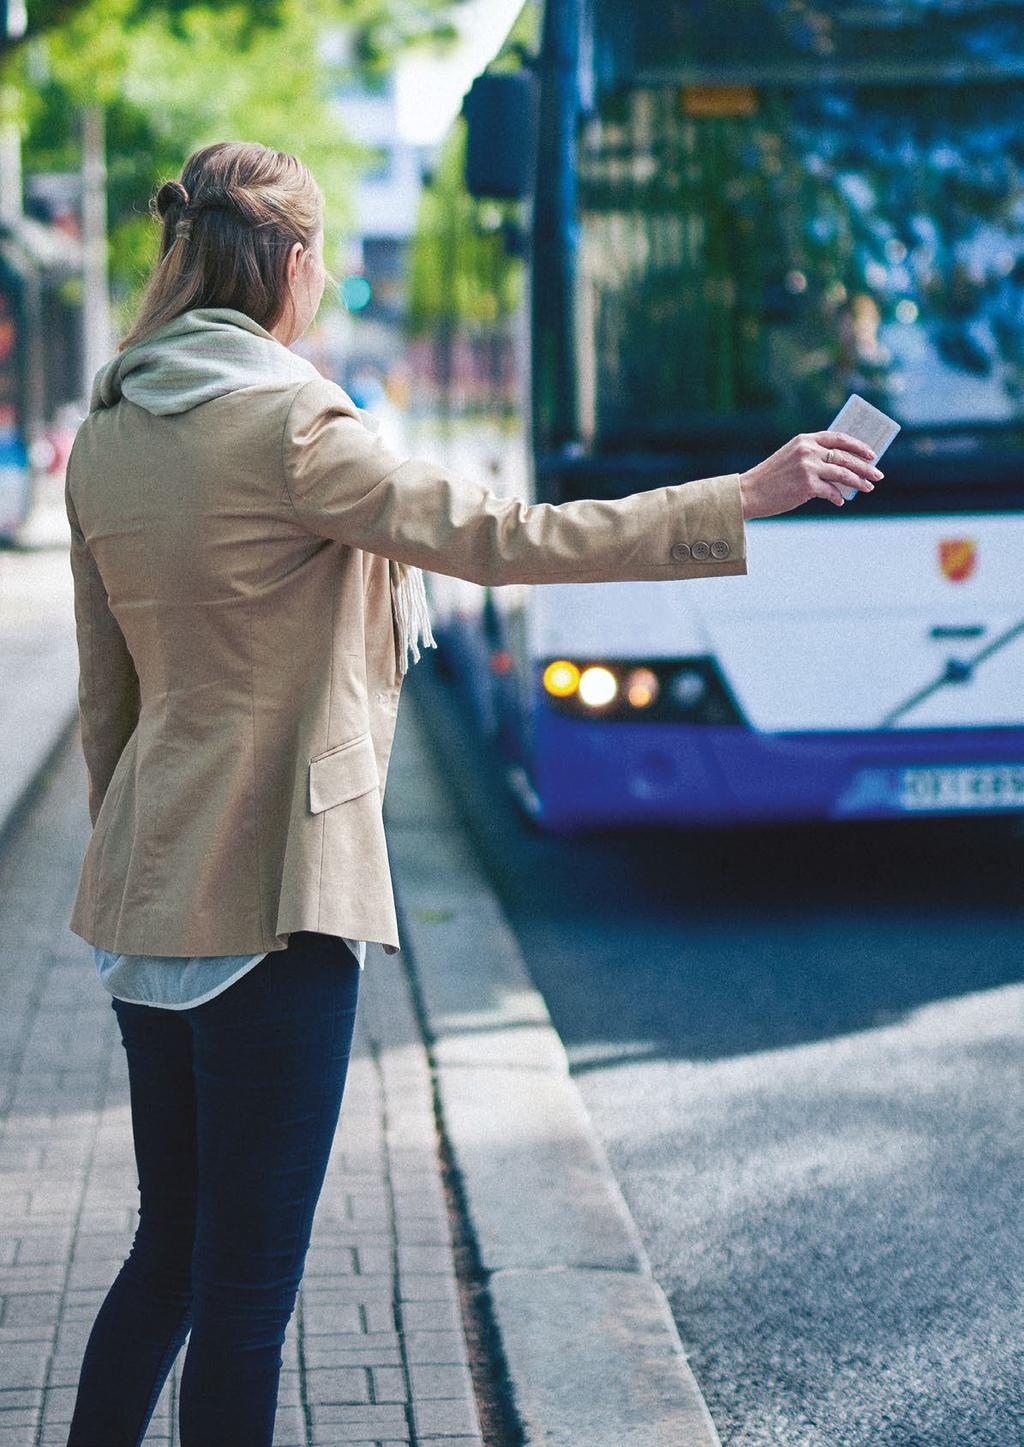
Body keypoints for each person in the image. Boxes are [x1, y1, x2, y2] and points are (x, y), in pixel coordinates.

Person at [63, 139, 881, 1447]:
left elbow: (108, 698)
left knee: (168, 1257)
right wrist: (746, 496)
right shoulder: (289, 424)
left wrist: (135, 865)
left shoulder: (106, 434)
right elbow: (506, 538)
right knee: (247, 1291)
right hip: (276, 893)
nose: (321, 282)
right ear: (283, 263)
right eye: (317, 256)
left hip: (147, 901)